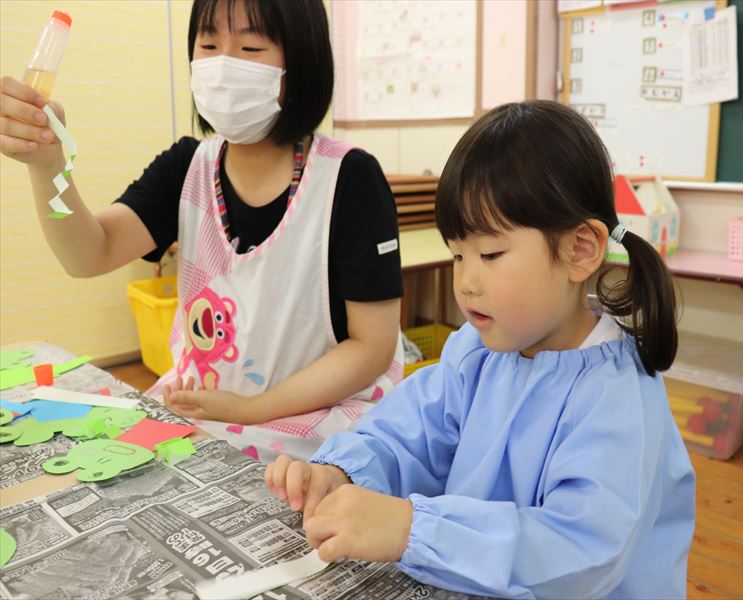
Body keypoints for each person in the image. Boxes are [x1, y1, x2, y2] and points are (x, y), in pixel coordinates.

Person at [265, 101, 696, 598]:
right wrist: (341, 472)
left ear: (580, 249)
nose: (466, 282)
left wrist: (413, 529)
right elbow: (408, 434)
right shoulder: (477, 351)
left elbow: (580, 551)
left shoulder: (617, 396)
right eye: (457, 254)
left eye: (490, 254)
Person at [0, 0, 404, 461]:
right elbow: (88, 254)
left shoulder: (349, 178)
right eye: (209, 45)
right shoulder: (187, 167)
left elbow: (372, 348)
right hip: (204, 406)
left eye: (250, 47)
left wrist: (253, 409)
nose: (223, 67)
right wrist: (48, 166)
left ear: (300, 64)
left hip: (318, 420)